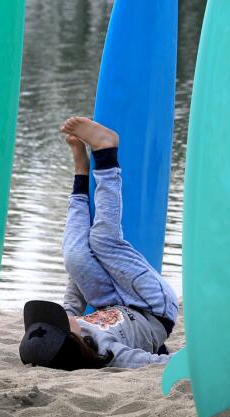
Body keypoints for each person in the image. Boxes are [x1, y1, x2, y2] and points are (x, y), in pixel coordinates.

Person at [20, 117, 180, 370]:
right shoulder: (109, 352)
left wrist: (81, 268)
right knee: (103, 241)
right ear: (73, 340)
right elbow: (155, 363)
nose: (61, 316)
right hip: (152, 307)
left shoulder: (73, 321)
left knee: (74, 257)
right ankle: (106, 152)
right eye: (59, 322)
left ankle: (80, 175)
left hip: (113, 299)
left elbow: (73, 296)